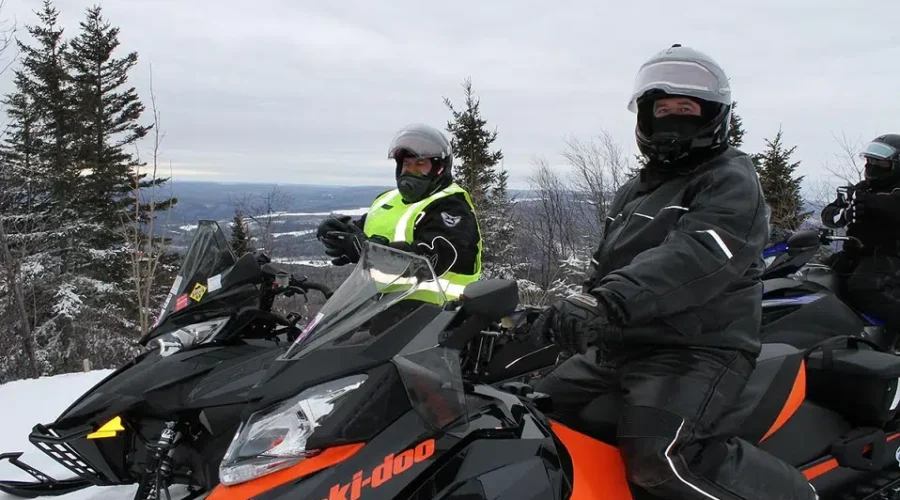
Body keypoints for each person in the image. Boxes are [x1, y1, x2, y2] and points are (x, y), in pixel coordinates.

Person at [532, 44, 818, 499]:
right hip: (623, 346)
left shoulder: (730, 178)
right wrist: (554, 317)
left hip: (697, 347)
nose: (671, 120)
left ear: (714, 115)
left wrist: (607, 301)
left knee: (660, 457)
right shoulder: (634, 191)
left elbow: (697, 253)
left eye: (685, 109)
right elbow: (606, 268)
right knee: (532, 415)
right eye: (661, 110)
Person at [316, 123, 483, 303]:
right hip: (379, 310)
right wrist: (339, 233)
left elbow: (430, 259)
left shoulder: (452, 207)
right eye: (406, 165)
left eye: (420, 164)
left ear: (439, 168)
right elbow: (363, 234)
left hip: (438, 315)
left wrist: (369, 252)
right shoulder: (387, 200)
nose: (410, 171)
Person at [820, 134, 900, 335]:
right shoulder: (861, 189)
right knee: (817, 277)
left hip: (890, 258)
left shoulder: (888, 193)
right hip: (854, 255)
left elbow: (891, 206)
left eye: (879, 162)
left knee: (863, 286)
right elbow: (829, 213)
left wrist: (866, 202)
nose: (871, 165)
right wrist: (844, 214)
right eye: (869, 160)